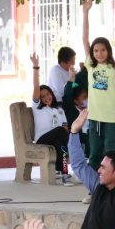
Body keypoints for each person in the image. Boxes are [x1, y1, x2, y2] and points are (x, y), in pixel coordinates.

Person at [82, 0, 115, 169]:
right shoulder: (91, 65)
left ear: (108, 51)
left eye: (103, 50)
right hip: (95, 117)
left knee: (111, 154)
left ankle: (112, 191)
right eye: (96, 50)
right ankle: (95, 190)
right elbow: (85, 39)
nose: (99, 53)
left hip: (112, 117)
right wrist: (85, 12)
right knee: (95, 155)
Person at [29, 52, 70, 180]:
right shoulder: (37, 108)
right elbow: (36, 87)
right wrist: (36, 68)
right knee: (60, 132)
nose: (46, 97)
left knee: (61, 142)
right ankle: (61, 170)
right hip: (42, 139)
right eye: (42, 96)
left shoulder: (59, 110)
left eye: (48, 94)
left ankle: (63, 172)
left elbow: (66, 128)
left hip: (58, 138)